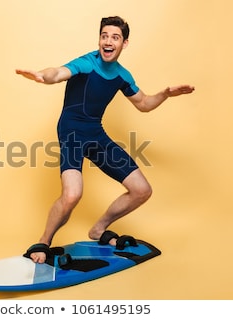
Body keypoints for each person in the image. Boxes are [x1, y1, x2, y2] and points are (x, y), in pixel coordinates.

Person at [16, 16, 194, 264]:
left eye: (115, 37)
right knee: (72, 195)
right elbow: (58, 72)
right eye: (104, 36)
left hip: (95, 134)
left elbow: (143, 104)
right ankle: (44, 241)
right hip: (72, 131)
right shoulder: (87, 63)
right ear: (99, 39)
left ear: (124, 43)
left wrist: (165, 94)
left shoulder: (122, 75)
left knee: (142, 191)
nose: (108, 41)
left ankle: (99, 229)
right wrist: (43, 76)